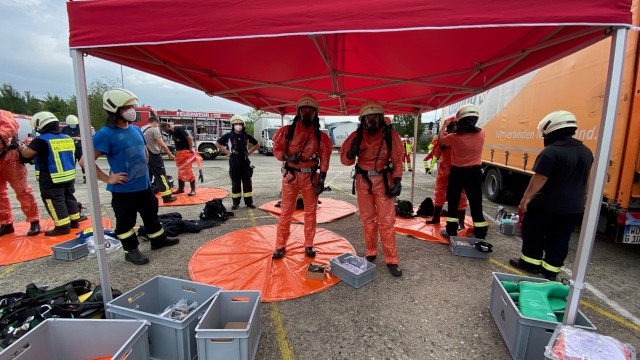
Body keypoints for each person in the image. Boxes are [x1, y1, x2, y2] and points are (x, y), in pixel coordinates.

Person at [83, 88, 179, 265]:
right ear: (116, 110)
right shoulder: (105, 134)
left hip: (144, 186)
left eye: (133, 106)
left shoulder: (135, 130)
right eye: (128, 107)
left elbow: (144, 151)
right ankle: (131, 250)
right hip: (124, 190)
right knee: (126, 221)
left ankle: (158, 240)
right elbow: (85, 161)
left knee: (151, 214)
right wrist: (108, 178)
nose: (132, 110)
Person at [510, 111, 593, 281]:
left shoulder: (551, 151)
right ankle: (551, 270)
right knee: (561, 238)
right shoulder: (586, 151)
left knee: (534, 233)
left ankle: (530, 264)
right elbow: (587, 179)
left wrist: (526, 199)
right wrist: (583, 198)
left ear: (551, 130)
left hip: (547, 205)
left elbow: (540, 178)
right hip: (572, 208)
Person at [340, 100, 404, 277]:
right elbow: (345, 161)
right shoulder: (356, 136)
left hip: (384, 180)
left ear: (382, 118)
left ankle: (392, 259)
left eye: (375, 118)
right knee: (368, 219)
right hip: (363, 180)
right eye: (368, 118)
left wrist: (397, 181)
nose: (372, 122)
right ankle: (371, 251)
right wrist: (350, 153)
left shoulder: (391, 136)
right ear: (362, 120)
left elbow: (397, 160)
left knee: (386, 221)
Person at [271, 94, 332, 259]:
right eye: (304, 111)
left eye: (310, 111)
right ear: (298, 111)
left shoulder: (320, 136)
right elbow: (277, 150)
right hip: (291, 176)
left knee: (310, 212)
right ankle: (280, 245)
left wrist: (322, 180)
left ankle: (309, 244)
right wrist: (288, 158)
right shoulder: (287, 131)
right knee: (286, 212)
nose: (306, 114)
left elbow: (325, 157)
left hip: (310, 177)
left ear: (315, 113)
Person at [18, 111, 85, 236]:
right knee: (69, 197)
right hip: (68, 176)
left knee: (54, 201)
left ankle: (62, 227)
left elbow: (27, 154)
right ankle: (74, 221)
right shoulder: (66, 138)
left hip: (51, 177)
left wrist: (21, 147)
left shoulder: (41, 140)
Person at [439, 104, 488, 239]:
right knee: (476, 203)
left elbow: (441, 143)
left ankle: (451, 231)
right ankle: (480, 233)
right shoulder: (482, 133)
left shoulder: (453, 137)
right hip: (475, 172)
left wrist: (444, 126)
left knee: (453, 202)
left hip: (458, 172)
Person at [0, 110, 40, 237]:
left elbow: (10, 126)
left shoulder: (3, 114)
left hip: (9, 156)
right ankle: (6, 223)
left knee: (22, 190)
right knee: (0, 194)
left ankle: (34, 221)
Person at [425, 119, 468, 228]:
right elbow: (436, 152)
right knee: (439, 193)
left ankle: (461, 222)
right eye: (449, 129)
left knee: (461, 196)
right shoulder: (443, 138)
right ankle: (436, 218)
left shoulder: (463, 137)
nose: (451, 132)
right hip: (445, 171)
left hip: (458, 170)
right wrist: (442, 145)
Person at [215, 114, 260, 210]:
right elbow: (217, 144)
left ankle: (249, 202)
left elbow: (257, 144)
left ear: (243, 125)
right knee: (235, 182)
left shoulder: (246, 135)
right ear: (232, 125)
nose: (238, 126)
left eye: (240, 124)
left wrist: (250, 153)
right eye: (236, 124)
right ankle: (236, 203)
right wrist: (228, 153)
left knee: (247, 181)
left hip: (244, 160)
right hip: (234, 160)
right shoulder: (228, 136)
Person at [161, 122, 203, 196]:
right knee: (180, 172)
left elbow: (189, 138)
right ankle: (181, 189)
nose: (165, 131)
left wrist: (190, 149)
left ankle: (193, 190)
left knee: (188, 171)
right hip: (179, 153)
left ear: (167, 126)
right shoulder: (172, 132)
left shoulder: (178, 129)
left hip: (185, 153)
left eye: (164, 129)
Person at [141, 116, 176, 204]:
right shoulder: (154, 129)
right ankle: (167, 197)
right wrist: (170, 154)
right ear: (155, 122)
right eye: (157, 124)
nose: (157, 126)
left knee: (148, 176)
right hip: (154, 155)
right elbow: (162, 144)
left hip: (145, 155)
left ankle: (146, 197)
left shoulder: (142, 129)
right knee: (161, 176)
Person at [62, 115, 86, 183]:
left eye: (74, 124)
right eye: (71, 124)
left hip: (80, 148)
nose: (73, 125)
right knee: (71, 164)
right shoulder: (64, 129)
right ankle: (71, 178)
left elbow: (87, 136)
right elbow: (60, 137)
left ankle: (86, 178)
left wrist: (80, 138)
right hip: (69, 149)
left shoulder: (80, 128)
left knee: (83, 163)